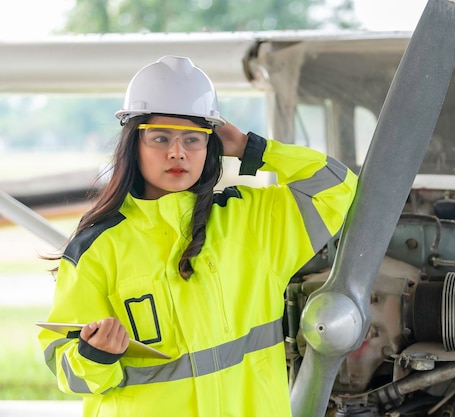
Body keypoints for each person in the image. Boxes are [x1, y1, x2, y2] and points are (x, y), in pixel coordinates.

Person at [38, 55, 357, 417]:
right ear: (133, 145)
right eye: (160, 138)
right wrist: (94, 356)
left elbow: (337, 188)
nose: (177, 152)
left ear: (212, 146)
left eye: (193, 139)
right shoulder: (97, 249)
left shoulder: (251, 220)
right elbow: (63, 364)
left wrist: (254, 149)